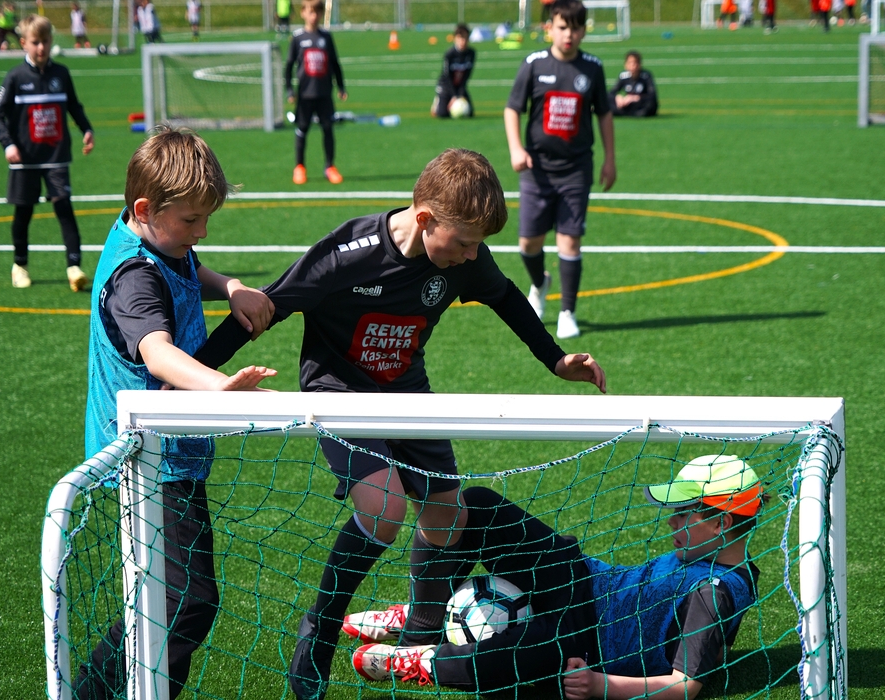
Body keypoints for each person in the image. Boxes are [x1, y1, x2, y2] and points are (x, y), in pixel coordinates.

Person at [193, 148, 607, 700]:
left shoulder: (465, 258)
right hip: (339, 394)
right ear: (426, 218)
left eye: (477, 245)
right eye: (464, 242)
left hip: (408, 392)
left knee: (448, 519)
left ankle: (420, 633)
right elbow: (266, 306)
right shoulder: (348, 254)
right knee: (384, 510)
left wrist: (556, 360)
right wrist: (195, 372)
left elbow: (507, 297)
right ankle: (320, 627)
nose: (472, 255)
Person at [75, 126, 277, 700]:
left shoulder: (160, 240)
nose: (201, 231)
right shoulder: (134, 275)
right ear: (145, 210)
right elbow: (157, 353)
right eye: (191, 220)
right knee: (185, 600)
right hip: (145, 458)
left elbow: (187, 268)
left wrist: (231, 285)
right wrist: (219, 387)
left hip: (171, 448)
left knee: (172, 601)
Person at [348, 454, 764, 700]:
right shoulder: (730, 565)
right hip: (579, 575)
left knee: (508, 658)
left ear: (721, 523)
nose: (671, 520)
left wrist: (598, 685)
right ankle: (427, 616)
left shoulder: (713, 591)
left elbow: (684, 685)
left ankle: (423, 661)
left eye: (683, 512)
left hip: (582, 642)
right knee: (475, 505)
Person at [504, 0, 616, 340]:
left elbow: (604, 114)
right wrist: (516, 148)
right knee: (529, 242)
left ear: (584, 31)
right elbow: (512, 108)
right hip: (536, 170)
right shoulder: (534, 64)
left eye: (576, 28)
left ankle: (568, 312)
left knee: (570, 241)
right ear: (549, 28)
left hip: (576, 170)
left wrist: (610, 158)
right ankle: (540, 284)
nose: (569, 34)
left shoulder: (592, 68)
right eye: (563, 27)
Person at [0, 14, 94, 291]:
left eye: (45, 42)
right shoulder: (15, 77)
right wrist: (8, 144)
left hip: (56, 156)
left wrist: (86, 129)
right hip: (24, 159)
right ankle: (20, 265)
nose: (41, 48)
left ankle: (74, 267)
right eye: (35, 42)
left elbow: (74, 106)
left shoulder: (61, 74)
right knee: (24, 212)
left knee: (64, 208)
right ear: (23, 43)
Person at [284, 0, 345, 185]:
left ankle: (330, 166)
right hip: (305, 95)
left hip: (324, 93)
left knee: (328, 129)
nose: (314, 16)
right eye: (311, 12)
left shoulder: (326, 37)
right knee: (302, 129)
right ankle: (299, 167)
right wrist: (289, 90)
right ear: (303, 13)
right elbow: (289, 66)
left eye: (317, 12)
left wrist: (341, 87)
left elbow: (335, 63)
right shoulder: (298, 38)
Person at [432, 23, 475, 119]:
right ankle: (438, 101)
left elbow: (467, 76)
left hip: (459, 86)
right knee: (443, 114)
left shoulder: (471, 53)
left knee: (470, 113)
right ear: (455, 38)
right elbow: (447, 76)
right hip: (446, 86)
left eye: (465, 38)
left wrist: (460, 94)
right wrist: (454, 96)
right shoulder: (449, 54)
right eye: (460, 38)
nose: (463, 41)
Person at [609, 51, 658, 118]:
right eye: (630, 63)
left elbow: (652, 95)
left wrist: (635, 98)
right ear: (625, 65)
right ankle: (628, 112)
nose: (632, 65)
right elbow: (611, 92)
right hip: (629, 105)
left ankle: (626, 112)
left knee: (650, 105)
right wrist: (618, 97)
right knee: (607, 101)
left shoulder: (646, 76)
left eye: (635, 63)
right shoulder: (623, 76)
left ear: (640, 64)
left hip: (640, 104)